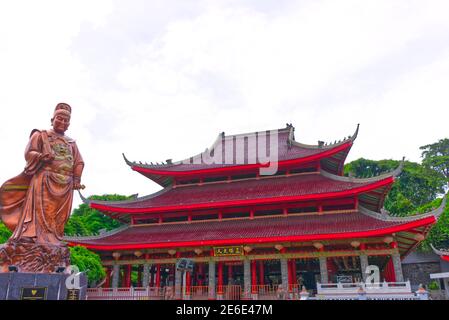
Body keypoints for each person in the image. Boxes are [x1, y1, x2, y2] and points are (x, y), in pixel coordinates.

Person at [0, 103, 84, 245]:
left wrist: (77, 178)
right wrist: (40, 156)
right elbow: (29, 152)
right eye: (59, 118)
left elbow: (79, 162)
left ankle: (53, 239)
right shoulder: (41, 134)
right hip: (45, 179)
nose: (62, 122)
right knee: (39, 212)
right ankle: (32, 235)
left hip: (65, 185)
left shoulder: (71, 143)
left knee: (58, 216)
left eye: (66, 120)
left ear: (69, 124)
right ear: (52, 119)